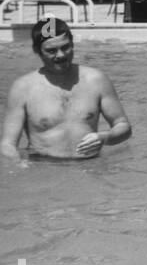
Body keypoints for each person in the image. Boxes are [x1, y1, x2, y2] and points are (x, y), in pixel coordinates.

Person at [1, 18, 131, 162]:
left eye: (65, 47)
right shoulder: (23, 88)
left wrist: (105, 137)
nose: (61, 55)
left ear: (73, 43)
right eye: (51, 51)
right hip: (45, 168)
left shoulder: (96, 80)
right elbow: (8, 145)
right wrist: (20, 165)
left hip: (90, 166)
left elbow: (123, 126)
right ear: (37, 50)